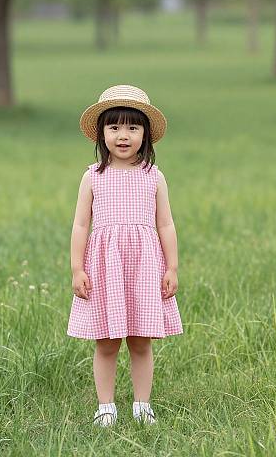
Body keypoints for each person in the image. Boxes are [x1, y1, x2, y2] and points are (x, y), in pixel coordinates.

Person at [67, 84, 183, 427]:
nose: (123, 135)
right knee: (106, 342)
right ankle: (106, 406)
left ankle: (142, 404)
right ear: (101, 133)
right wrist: (77, 268)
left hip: (144, 267)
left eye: (133, 127)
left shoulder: (154, 177)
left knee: (140, 341)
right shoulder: (93, 177)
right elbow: (79, 226)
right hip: (104, 267)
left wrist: (172, 267)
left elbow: (166, 225)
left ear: (145, 134)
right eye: (114, 126)